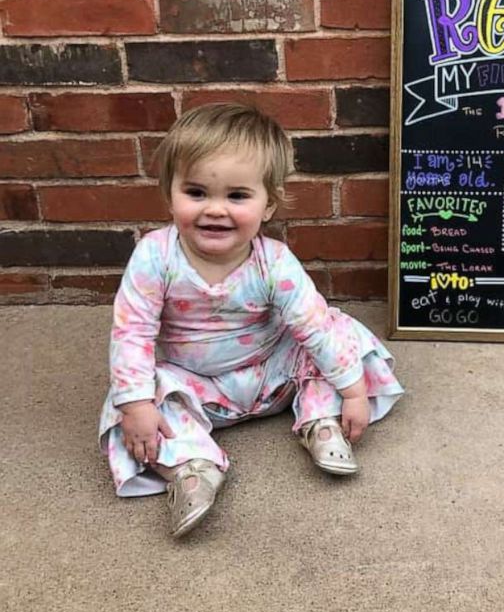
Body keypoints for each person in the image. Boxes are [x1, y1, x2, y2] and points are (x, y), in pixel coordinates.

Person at [98, 103, 403, 538]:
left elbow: (313, 326)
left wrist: (354, 392)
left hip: (271, 373)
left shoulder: (273, 261)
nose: (215, 210)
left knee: (338, 331)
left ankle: (322, 420)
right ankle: (193, 467)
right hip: (197, 383)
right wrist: (136, 405)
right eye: (197, 192)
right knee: (130, 398)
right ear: (169, 195)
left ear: (269, 206)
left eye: (237, 196)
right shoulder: (154, 256)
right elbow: (132, 332)